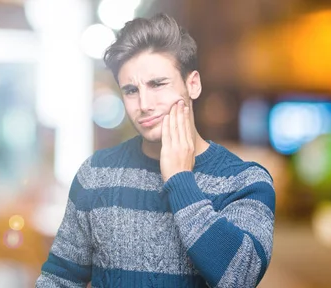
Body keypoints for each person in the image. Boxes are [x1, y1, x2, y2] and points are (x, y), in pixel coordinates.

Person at [36, 13, 275, 288]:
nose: (144, 104)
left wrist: (180, 180)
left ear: (192, 84)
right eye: (131, 90)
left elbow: (240, 278)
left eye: (158, 84)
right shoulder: (95, 175)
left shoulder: (246, 181)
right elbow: (58, 279)